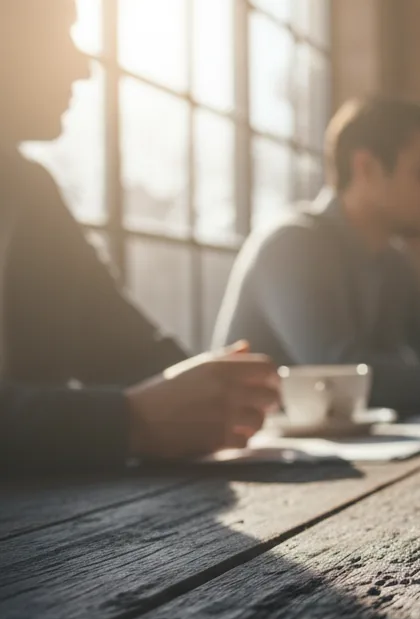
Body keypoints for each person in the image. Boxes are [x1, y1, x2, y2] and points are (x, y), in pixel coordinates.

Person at [0, 0, 279, 472]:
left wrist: (213, 387)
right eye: (57, 35)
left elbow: (120, 341)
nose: (83, 67)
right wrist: (128, 422)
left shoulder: (28, 187)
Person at [214, 98, 420, 415]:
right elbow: (342, 379)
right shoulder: (291, 245)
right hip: (254, 464)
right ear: (367, 168)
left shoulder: (393, 262)